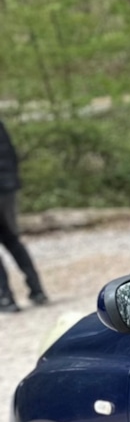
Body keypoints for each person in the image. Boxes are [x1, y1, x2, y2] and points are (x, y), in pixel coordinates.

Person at [0, 118, 48, 313]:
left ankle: (5, 298)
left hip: (5, 186)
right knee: (12, 239)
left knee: (12, 240)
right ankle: (37, 290)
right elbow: (10, 154)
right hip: (7, 189)